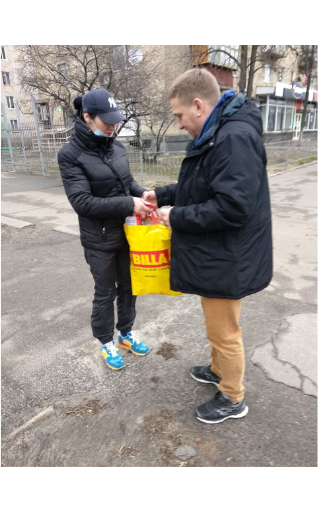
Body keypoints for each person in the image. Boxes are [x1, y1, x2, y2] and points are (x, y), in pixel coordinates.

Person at [144, 69, 273, 424]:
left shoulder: (233, 137)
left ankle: (233, 396)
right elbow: (204, 184)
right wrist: (165, 195)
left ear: (198, 105)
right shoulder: (218, 132)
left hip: (231, 256)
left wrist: (177, 216)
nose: (180, 124)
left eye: (180, 116)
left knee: (224, 330)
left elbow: (233, 207)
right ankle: (219, 371)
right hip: (221, 253)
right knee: (217, 325)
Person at [59, 88, 156, 371]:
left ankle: (125, 333)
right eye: (106, 121)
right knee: (106, 292)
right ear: (88, 117)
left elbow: (127, 183)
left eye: (115, 120)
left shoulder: (117, 147)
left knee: (130, 286)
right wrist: (129, 203)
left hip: (128, 233)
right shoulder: (70, 154)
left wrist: (144, 194)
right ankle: (106, 342)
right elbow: (83, 202)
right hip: (99, 239)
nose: (113, 126)